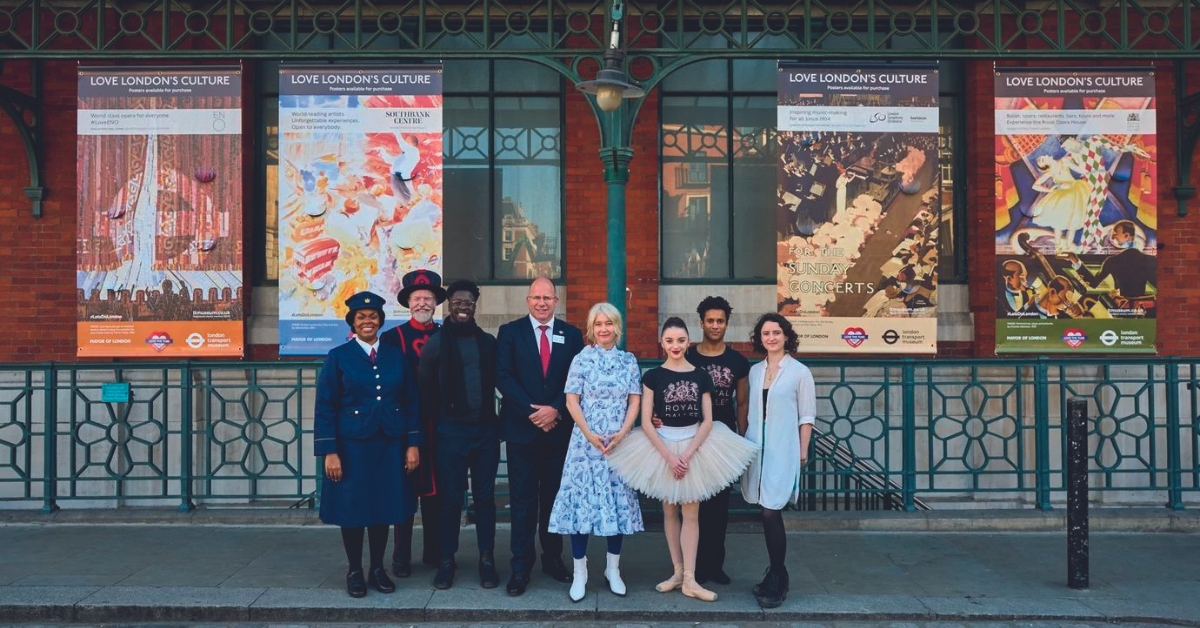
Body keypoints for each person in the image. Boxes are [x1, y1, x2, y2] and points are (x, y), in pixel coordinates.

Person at [608, 317, 756, 603]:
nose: (675, 345)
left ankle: (690, 577)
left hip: (694, 447)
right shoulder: (652, 376)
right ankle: (676, 572)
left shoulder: (701, 375)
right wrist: (668, 456)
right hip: (662, 447)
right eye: (669, 340)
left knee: (691, 512)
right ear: (662, 343)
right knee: (669, 512)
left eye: (680, 340)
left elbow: (708, 420)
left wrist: (686, 455)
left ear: (688, 342)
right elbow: (647, 421)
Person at [314, 291, 422, 598]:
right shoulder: (339, 356)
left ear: (380, 321)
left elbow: (411, 401)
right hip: (352, 447)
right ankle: (355, 570)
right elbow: (325, 406)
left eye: (373, 317)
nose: (367, 321)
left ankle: (378, 568)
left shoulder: (395, 356)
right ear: (352, 322)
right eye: (361, 317)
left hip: (390, 443)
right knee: (354, 509)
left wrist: (413, 444)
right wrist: (329, 451)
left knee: (383, 507)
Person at [547, 302, 644, 603]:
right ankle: (580, 572)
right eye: (599, 324)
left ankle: (613, 569)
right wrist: (589, 433)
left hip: (618, 442)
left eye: (609, 323)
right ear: (591, 328)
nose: (604, 329)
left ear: (617, 327)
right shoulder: (581, 359)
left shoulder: (628, 361)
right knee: (582, 505)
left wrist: (623, 433)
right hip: (585, 444)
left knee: (616, 503)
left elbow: (635, 401)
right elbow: (571, 400)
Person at [496, 277, 585, 596]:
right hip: (522, 430)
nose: (542, 303)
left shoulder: (572, 335)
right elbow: (502, 376)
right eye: (536, 297)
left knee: (553, 499)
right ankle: (520, 567)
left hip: (559, 433)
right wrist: (533, 411)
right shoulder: (510, 333)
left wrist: (556, 409)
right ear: (527, 300)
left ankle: (553, 559)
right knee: (522, 501)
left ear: (556, 301)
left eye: (548, 298)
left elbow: (577, 379)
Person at [418, 279, 500, 590]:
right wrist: (442, 420)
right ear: (448, 304)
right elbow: (425, 387)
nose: (462, 307)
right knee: (451, 500)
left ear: (475, 305)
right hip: (451, 432)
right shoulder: (437, 343)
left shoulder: (488, 342)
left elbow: (500, 380)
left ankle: (487, 560)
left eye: (468, 302)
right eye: (457, 302)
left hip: (485, 433)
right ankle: (446, 561)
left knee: (485, 500)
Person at [741, 313, 816, 609]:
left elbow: (807, 416)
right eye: (765, 333)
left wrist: (802, 450)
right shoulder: (756, 371)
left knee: (772, 511)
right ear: (760, 338)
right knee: (764, 509)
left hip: (783, 449)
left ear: (786, 336)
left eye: (776, 332)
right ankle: (774, 572)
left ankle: (778, 578)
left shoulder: (800, 372)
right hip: (757, 449)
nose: (771, 337)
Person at [380, 269, 446, 577]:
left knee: (438, 494)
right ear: (408, 302)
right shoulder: (392, 338)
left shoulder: (445, 335)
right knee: (403, 492)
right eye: (417, 298)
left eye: (428, 298)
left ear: (435, 302)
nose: (422, 303)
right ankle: (400, 558)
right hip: (405, 426)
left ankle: (433, 552)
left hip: (440, 426)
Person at [684, 297, 750, 586]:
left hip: (724, 440)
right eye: (709, 320)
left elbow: (743, 403)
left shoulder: (737, 361)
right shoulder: (688, 356)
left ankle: (715, 565)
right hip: (690, 438)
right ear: (701, 323)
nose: (714, 325)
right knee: (693, 503)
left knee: (719, 507)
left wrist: (742, 439)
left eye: (720, 320)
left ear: (726, 323)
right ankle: (692, 566)